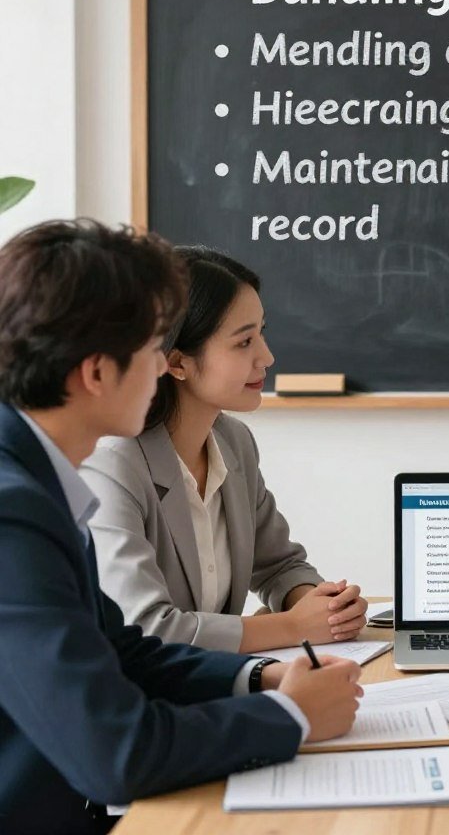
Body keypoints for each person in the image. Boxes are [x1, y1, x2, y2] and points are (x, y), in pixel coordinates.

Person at [0, 220, 362, 835]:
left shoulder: (39, 479)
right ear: (96, 372)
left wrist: (262, 677)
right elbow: (116, 754)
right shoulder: (14, 513)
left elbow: (124, 652)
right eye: (152, 350)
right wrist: (290, 717)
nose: (163, 365)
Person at [82, 246, 366, 653]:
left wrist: (325, 608)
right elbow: (145, 628)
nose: (266, 357)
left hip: (214, 686)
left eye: (261, 333)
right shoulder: (112, 464)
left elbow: (278, 565)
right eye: (243, 342)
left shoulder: (235, 443)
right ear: (177, 362)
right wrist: (293, 627)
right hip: (143, 700)